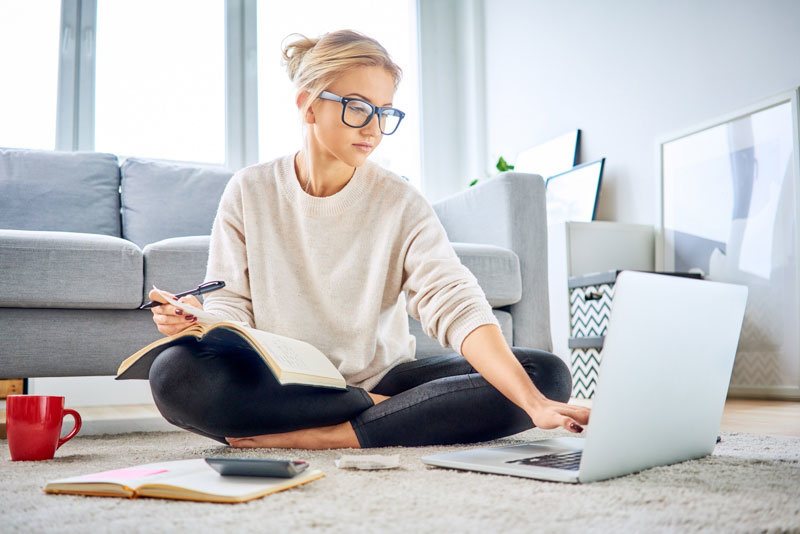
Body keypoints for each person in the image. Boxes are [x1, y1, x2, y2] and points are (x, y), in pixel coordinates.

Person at [146, 29, 590, 450]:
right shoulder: (249, 190)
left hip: (383, 379)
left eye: (385, 112)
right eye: (358, 107)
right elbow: (230, 302)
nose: (374, 127)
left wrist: (535, 404)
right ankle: (390, 419)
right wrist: (203, 323)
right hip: (282, 380)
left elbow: (452, 298)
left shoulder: (400, 200)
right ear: (308, 105)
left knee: (545, 376)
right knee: (174, 374)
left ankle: (330, 434)